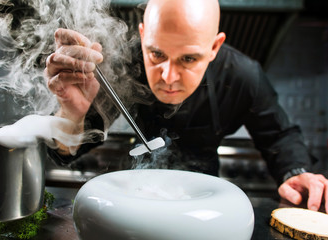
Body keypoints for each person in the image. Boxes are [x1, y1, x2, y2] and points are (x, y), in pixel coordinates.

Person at [44, 0, 328, 212]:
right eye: (156, 54)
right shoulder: (124, 67)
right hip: (137, 198)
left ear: (214, 48)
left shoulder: (243, 75)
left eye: (189, 59)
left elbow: (279, 134)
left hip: (207, 204)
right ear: (143, 35)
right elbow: (67, 151)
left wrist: (297, 172)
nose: (168, 77)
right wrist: (71, 113)